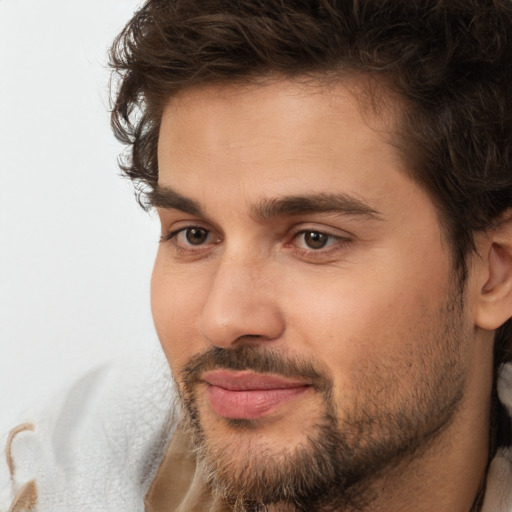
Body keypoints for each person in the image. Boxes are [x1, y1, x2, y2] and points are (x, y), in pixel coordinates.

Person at [2, 0, 512, 511]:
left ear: (495, 273)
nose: (223, 319)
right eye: (195, 235)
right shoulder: (61, 475)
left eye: (315, 239)